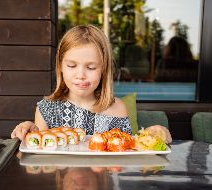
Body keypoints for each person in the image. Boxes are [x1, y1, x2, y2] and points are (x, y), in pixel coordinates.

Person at [11, 25, 172, 143]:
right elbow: (40, 154)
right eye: (72, 65)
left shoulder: (117, 108)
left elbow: (126, 150)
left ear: (103, 69)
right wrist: (30, 131)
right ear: (60, 66)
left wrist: (153, 134)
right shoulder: (46, 109)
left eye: (91, 67)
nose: (81, 75)